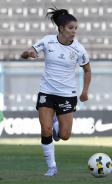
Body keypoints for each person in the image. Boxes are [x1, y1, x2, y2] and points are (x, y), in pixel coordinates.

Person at [21, 6, 91, 176]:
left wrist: (85, 91)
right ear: (61, 29)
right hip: (47, 92)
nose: (74, 32)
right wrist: (28, 52)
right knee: (45, 130)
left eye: (75, 28)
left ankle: (57, 124)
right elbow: (27, 52)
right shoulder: (47, 41)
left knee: (65, 135)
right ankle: (52, 167)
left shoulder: (79, 49)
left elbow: (87, 70)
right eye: (70, 28)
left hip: (67, 94)